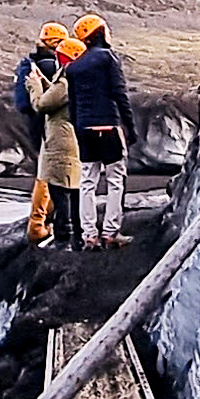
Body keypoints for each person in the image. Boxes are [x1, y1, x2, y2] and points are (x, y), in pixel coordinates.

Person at [64, 12, 134, 245]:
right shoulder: (108, 58)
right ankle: (111, 233)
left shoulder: (73, 68)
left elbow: (72, 105)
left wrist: (77, 129)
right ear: (100, 33)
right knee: (115, 180)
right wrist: (130, 127)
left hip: (84, 129)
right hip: (108, 126)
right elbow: (119, 94)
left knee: (87, 182)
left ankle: (89, 236)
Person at [26, 18, 85, 251]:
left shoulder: (66, 80)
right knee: (74, 187)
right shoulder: (79, 77)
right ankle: (76, 234)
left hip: (60, 140)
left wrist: (34, 85)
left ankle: (60, 236)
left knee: (59, 189)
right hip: (72, 140)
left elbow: (42, 104)